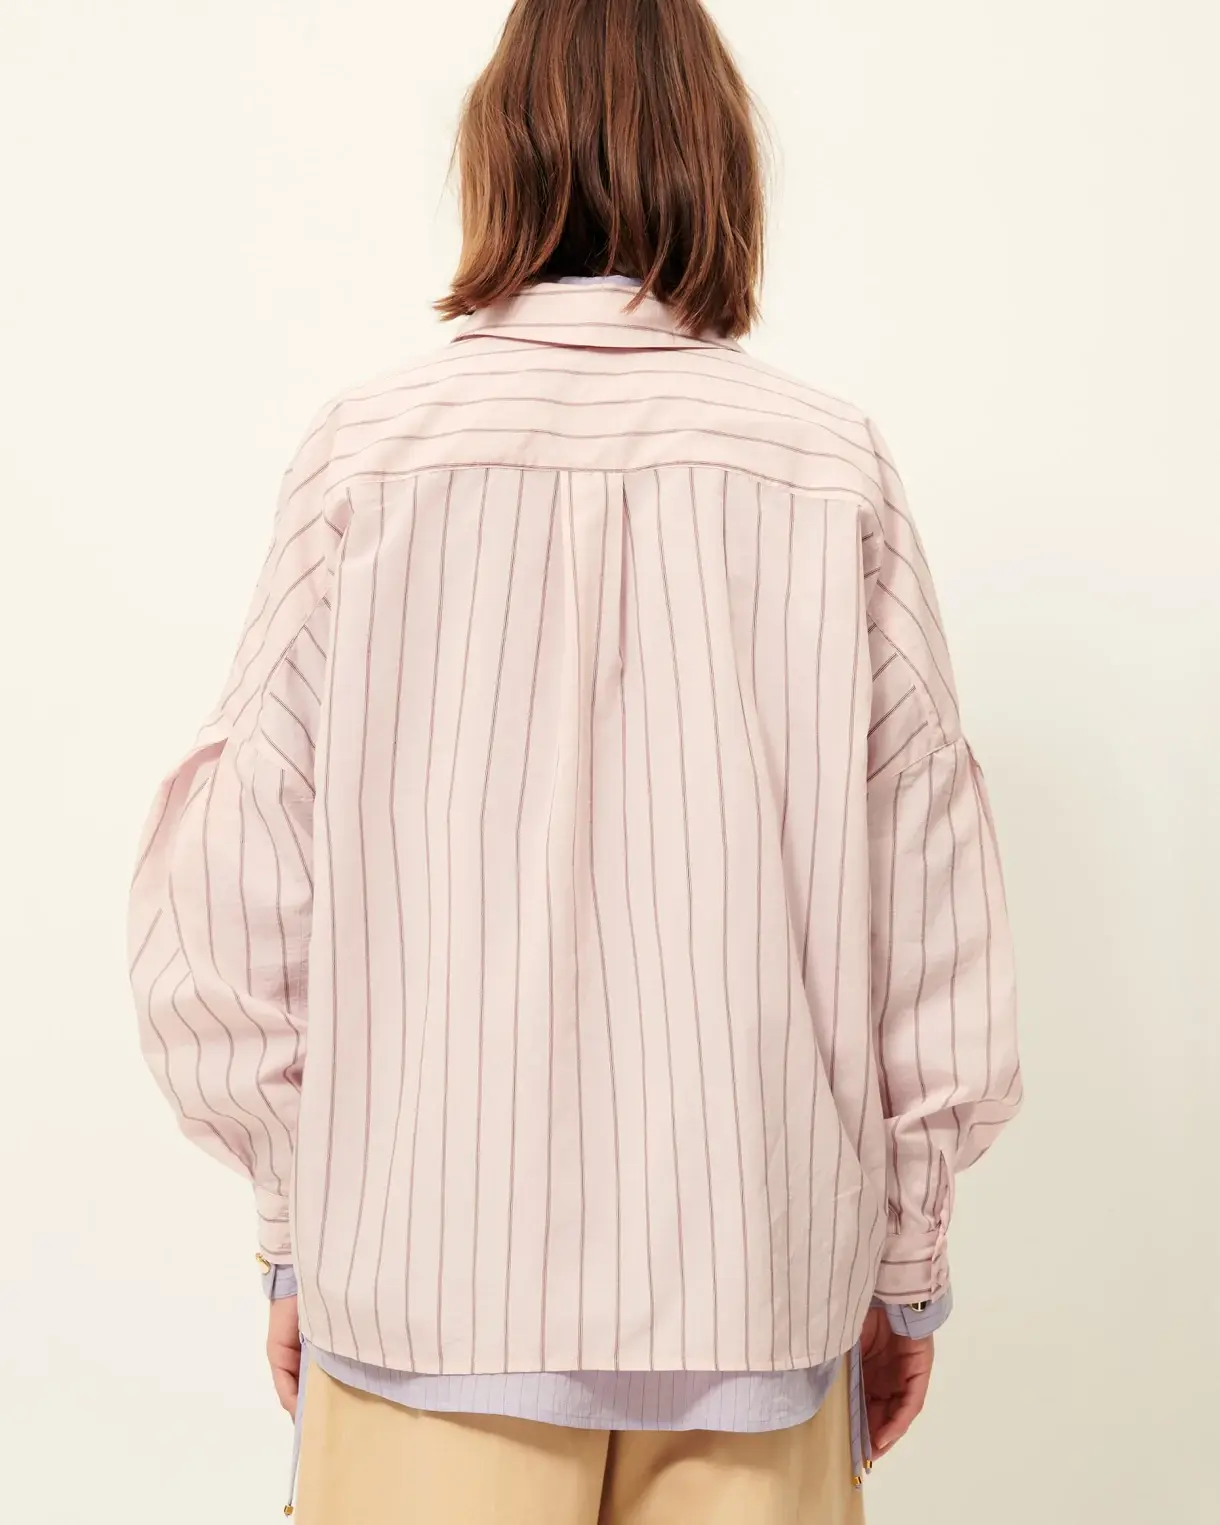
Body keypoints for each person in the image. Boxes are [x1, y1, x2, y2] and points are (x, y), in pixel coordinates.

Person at [127, 1, 1021, 1519]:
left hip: (424, 1299)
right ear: (719, 165)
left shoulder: (369, 457)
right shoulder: (828, 467)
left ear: (502, 157)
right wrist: (905, 1263)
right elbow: (931, 902)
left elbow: (234, 890)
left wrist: (296, 1227)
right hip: (757, 1293)